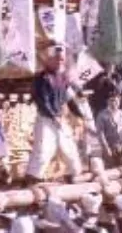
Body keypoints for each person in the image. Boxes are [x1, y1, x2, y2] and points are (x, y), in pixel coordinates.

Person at [25, 46, 85, 184]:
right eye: (57, 59)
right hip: (46, 118)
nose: (60, 62)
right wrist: (53, 116)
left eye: (62, 59)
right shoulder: (41, 79)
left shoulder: (63, 78)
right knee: (44, 148)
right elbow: (42, 100)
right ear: (49, 60)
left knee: (68, 147)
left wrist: (79, 114)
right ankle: (33, 178)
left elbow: (69, 98)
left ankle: (73, 174)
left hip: (58, 117)